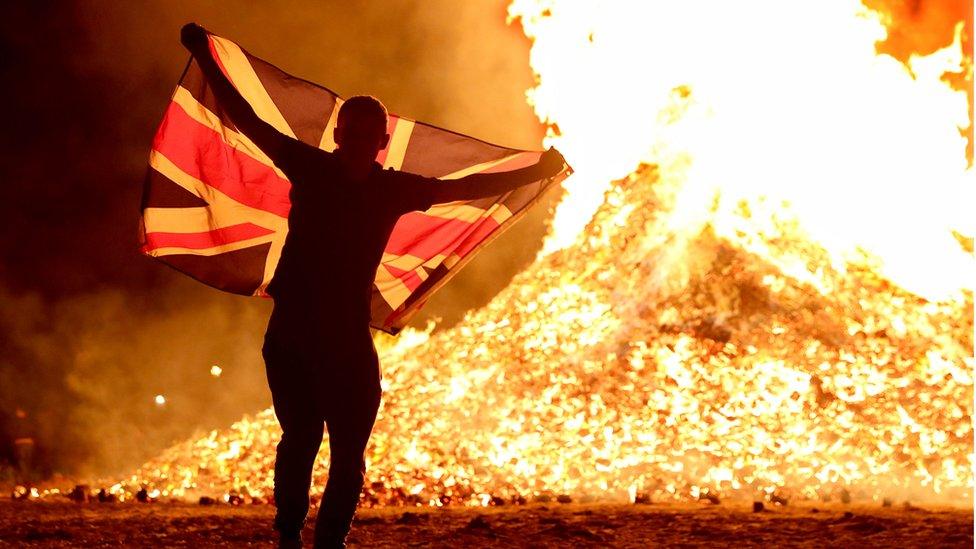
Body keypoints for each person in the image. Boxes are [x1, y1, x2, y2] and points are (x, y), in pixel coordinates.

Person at [180, 23, 567, 548]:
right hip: (298, 334)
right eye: (353, 132)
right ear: (340, 135)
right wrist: (205, 58)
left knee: (339, 450)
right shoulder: (315, 170)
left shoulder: (386, 188)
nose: (359, 142)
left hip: (330, 336)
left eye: (367, 135)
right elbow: (248, 120)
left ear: (379, 142)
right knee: (303, 440)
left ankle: (322, 542)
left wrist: (534, 172)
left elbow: (467, 188)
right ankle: (293, 538)